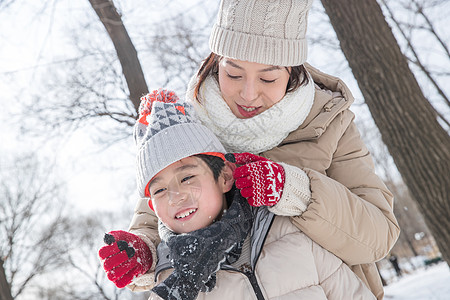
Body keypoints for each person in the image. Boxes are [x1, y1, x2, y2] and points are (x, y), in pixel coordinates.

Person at [99, 1, 400, 299]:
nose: (248, 94)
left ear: (292, 72)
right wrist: (143, 251)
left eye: (268, 77)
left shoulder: (330, 123)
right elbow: (158, 214)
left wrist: (296, 192)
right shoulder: (188, 129)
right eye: (233, 74)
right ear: (216, 63)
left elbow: (377, 238)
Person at [100, 89, 376, 299]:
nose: (175, 195)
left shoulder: (289, 232)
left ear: (225, 176)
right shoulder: (171, 284)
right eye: (159, 189)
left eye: (187, 177)